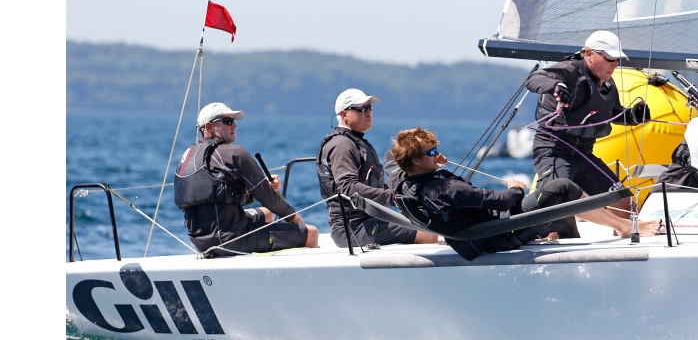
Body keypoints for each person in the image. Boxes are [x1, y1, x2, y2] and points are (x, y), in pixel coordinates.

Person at [390, 127, 661, 261]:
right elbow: (502, 200)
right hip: (498, 235)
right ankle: (625, 227)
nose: (438, 155)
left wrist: (436, 163)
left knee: (550, 201)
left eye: (436, 150)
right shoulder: (445, 189)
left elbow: (450, 196)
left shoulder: (404, 185)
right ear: (414, 160)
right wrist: (516, 187)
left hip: (475, 238)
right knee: (562, 188)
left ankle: (562, 237)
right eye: (432, 152)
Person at [523, 30, 651, 229]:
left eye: (617, 60)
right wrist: (556, 86)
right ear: (589, 54)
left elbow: (614, 113)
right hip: (554, 151)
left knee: (624, 202)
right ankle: (549, 240)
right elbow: (534, 79)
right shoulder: (569, 70)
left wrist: (634, 116)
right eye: (609, 58)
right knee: (558, 208)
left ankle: (629, 234)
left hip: (583, 154)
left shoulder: (607, 82)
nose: (614, 65)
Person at [174, 102, 319, 257]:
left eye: (234, 121)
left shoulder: (187, 158)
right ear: (208, 127)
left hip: (202, 242)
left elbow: (218, 196)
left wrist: (259, 188)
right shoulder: (235, 154)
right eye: (228, 121)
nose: (234, 126)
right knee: (310, 232)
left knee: (267, 214)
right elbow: (269, 198)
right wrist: (294, 218)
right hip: (231, 239)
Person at [315, 89, 438, 248]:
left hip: (369, 221)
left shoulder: (358, 143)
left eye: (369, 108)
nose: (368, 112)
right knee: (430, 234)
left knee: (429, 223)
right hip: (352, 229)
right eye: (361, 109)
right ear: (344, 115)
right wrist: (395, 198)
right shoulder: (342, 145)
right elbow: (347, 188)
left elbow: (375, 186)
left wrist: (410, 193)